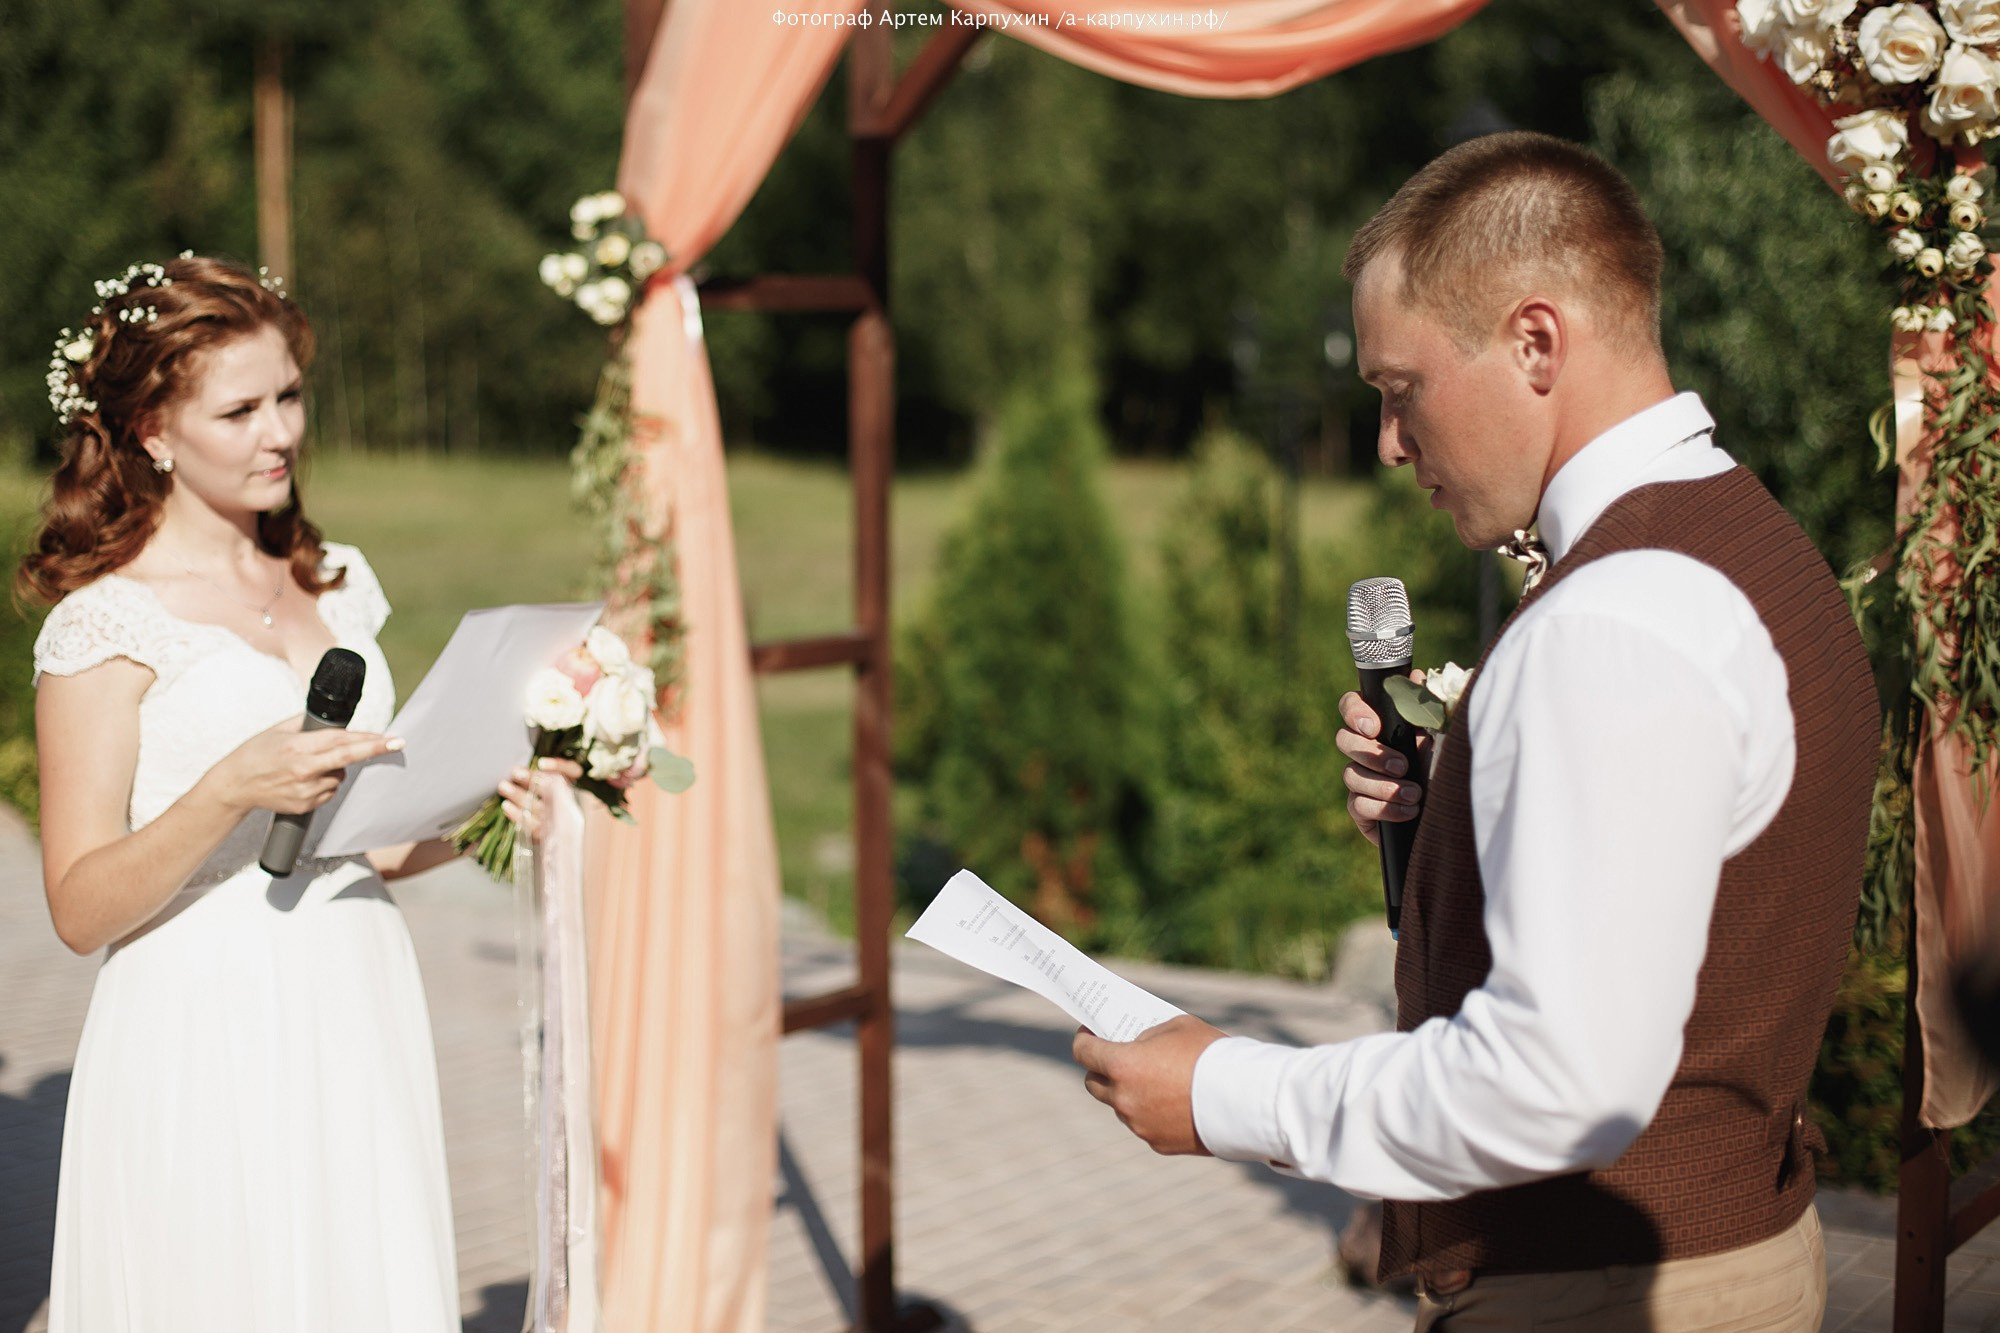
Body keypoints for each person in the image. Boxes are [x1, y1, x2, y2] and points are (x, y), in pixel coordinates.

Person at [1069, 131, 1880, 1330]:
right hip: (1723, 1248)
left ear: (1534, 342)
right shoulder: (1744, 538)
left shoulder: (1609, 620)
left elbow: (1560, 1082)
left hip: (1600, 1293)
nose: (1392, 446)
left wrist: (1229, 1090)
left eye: (1401, 392)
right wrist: (1466, 808)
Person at [21, 254, 579, 1332]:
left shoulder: (335, 578)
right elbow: (78, 909)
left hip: (355, 993)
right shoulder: (105, 623)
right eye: (240, 408)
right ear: (152, 430)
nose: (280, 431)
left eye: (288, 394)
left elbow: (365, 843)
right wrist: (228, 787)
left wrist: (482, 812)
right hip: (202, 1017)